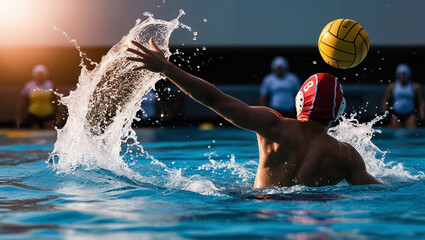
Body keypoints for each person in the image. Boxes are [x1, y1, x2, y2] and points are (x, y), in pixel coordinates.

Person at [126, 38, 381, 188]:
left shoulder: (274, 126)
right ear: (338, 111)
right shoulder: (347, 155)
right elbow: (378, 193)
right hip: (308, 216)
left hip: (259, 207)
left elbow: (214, 99)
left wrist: (167, 69)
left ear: (301, 100)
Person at [16, 64, 64, 129]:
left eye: (41, 74)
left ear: (45, 75)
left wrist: (59, 116)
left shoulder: (50, 84)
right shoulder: (29, 85)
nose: (40, 76)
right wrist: (19, 118)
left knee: (49, 129)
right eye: (38, 74)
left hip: (49, 116)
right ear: (35, 75)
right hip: (33, 116)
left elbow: (58, 101)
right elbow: (22, 103)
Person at [382, 64, 425, 128]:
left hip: (410, 114)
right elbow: (386, 100)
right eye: (401, 74)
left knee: (411, 134)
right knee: (395, 135)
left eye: (405, 74)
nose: (403, 76)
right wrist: (384, 112)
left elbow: (421, 101)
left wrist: (422, 113)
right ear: (398, 74)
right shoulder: (392, 86)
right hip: (396, 114)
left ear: (408, 74)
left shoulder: (415, 86)